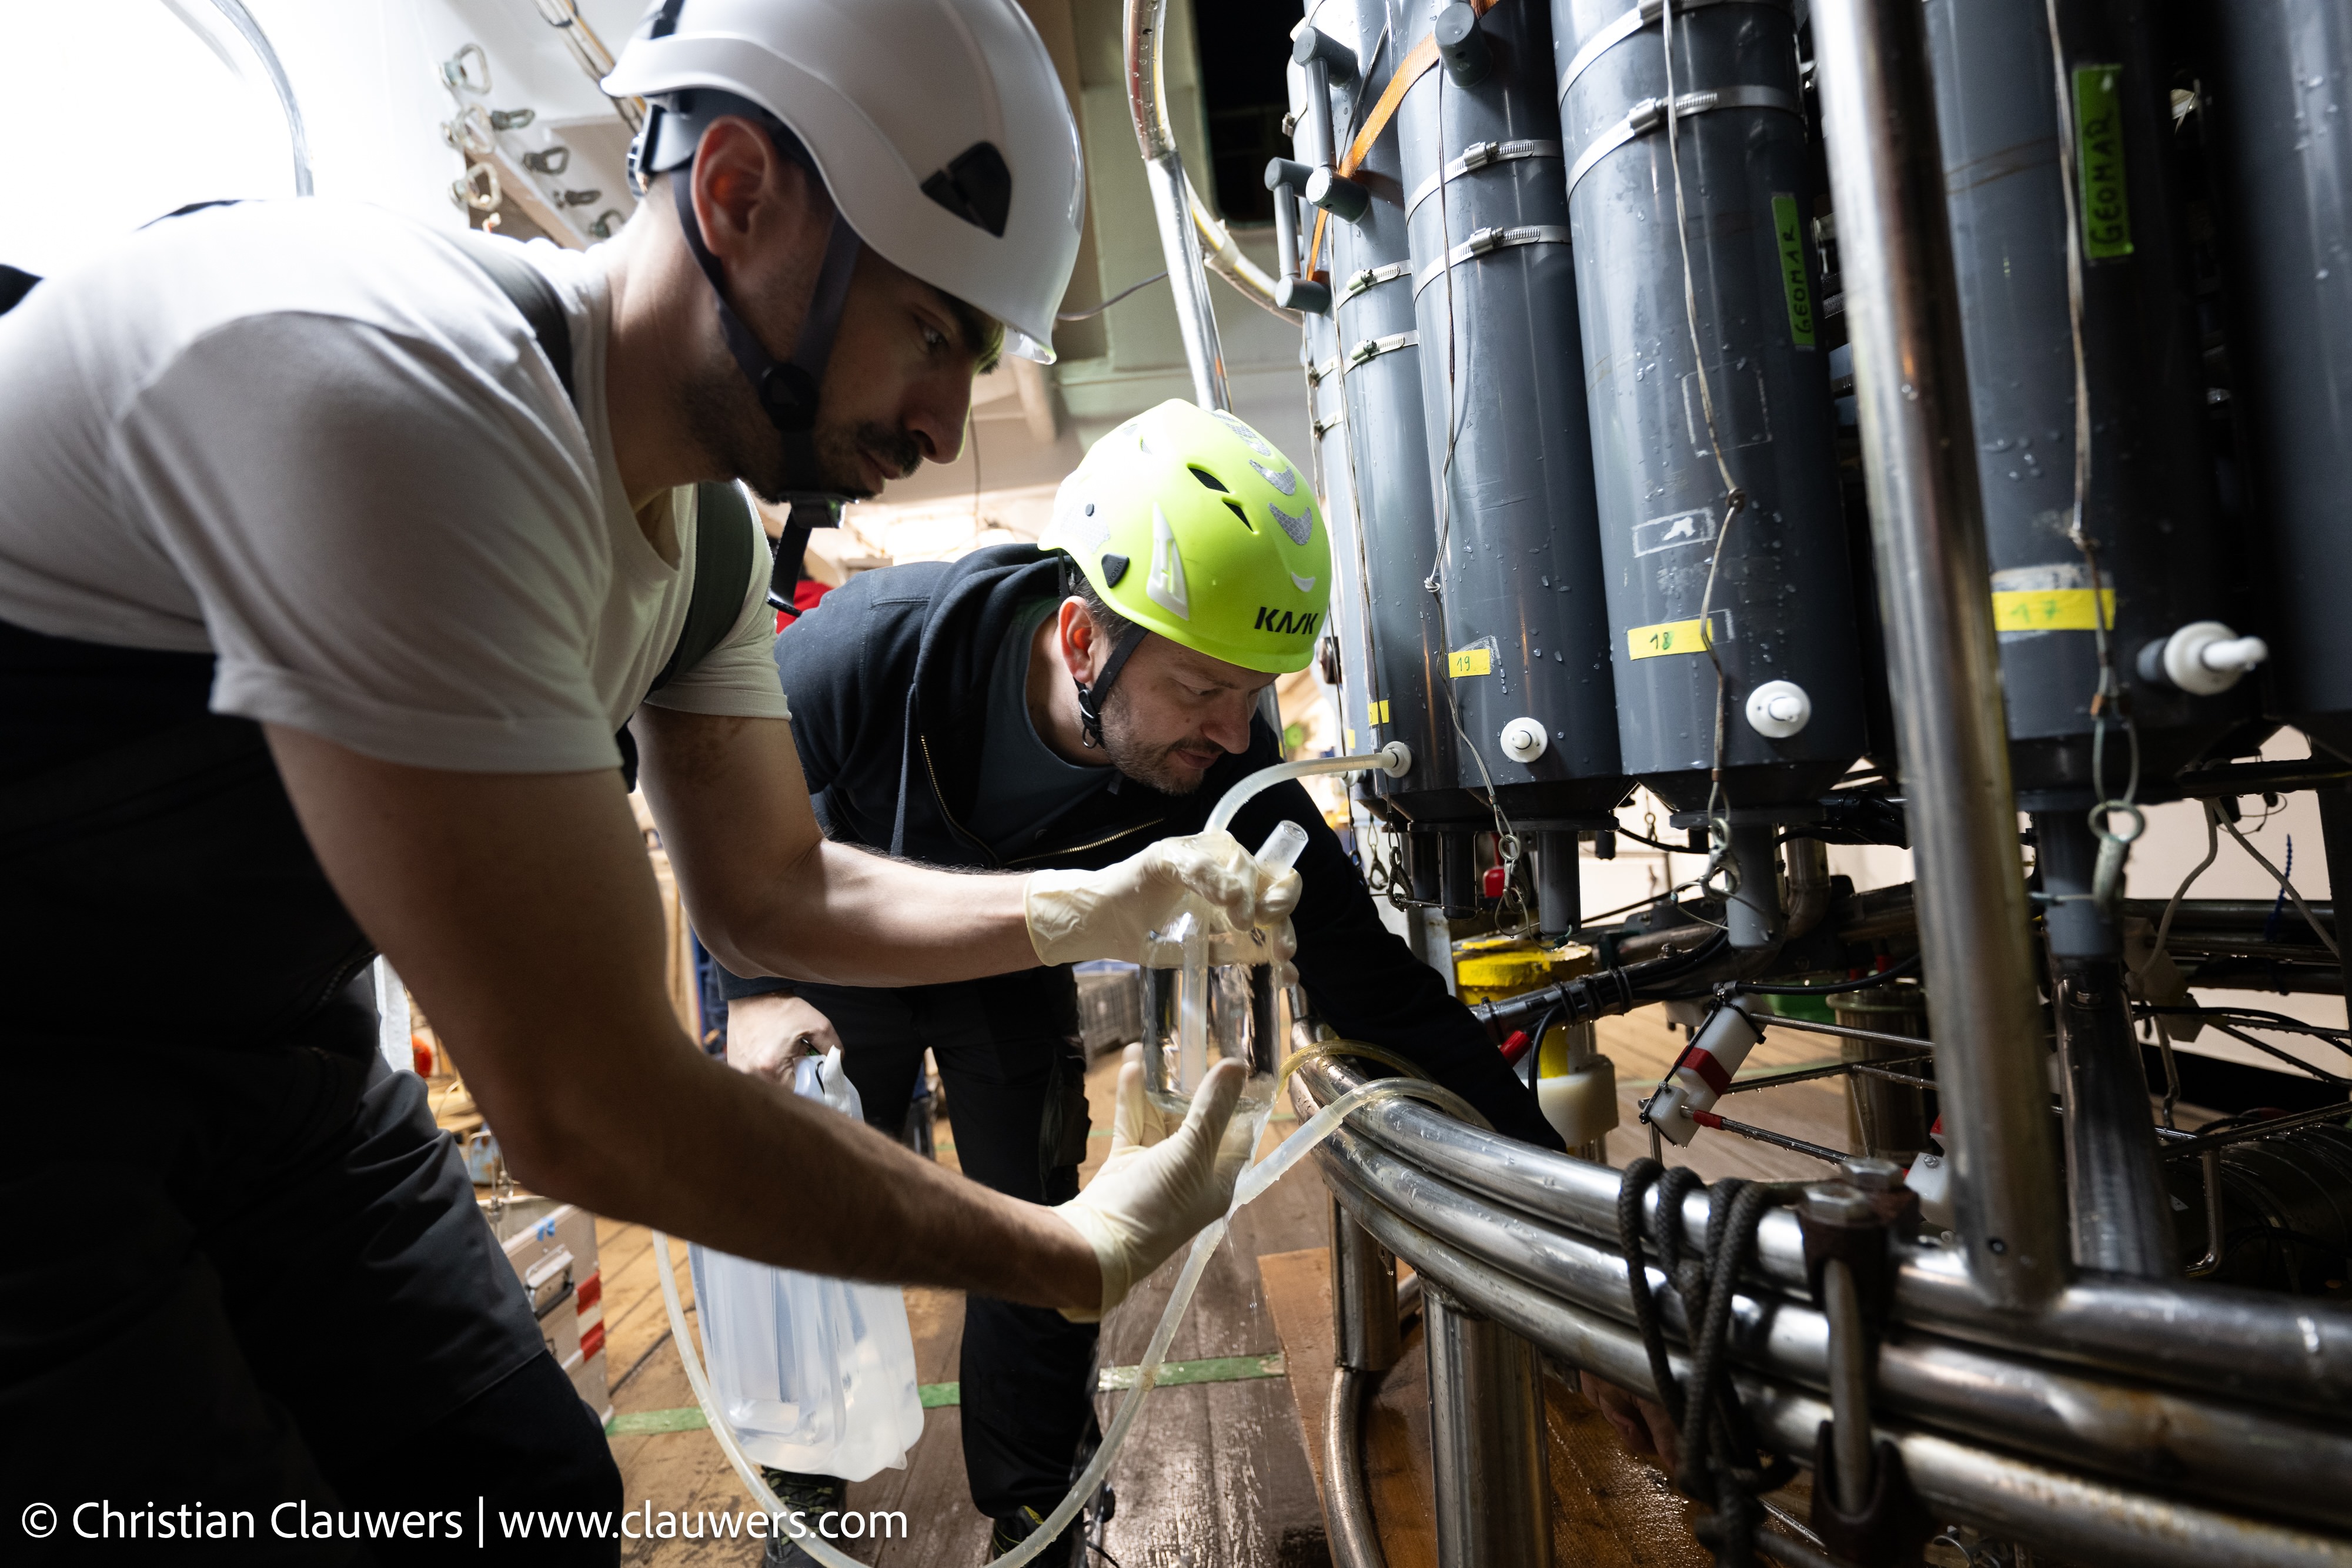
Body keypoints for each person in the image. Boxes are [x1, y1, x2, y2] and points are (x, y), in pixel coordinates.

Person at [0, 2, 1289, 1556]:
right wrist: (1057, 1251)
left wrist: (1095, 901)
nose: (947, 418)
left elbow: (774, 889)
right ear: (736, 192)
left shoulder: (710, 545)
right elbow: (585, 1104)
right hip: (25, 1087)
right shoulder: (405, 387)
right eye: (932, 330)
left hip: (280, 1055)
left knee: (523, 1492)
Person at [721, 399, 1565, 1564]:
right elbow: (719, 822)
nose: (1236, 734)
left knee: (1038, 1208)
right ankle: (803, 1494)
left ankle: (1038, 1507)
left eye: (1254, 694)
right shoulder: (870, 650)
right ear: (1082, 640)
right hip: (826, 942)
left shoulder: (1224, 770)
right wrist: (748, 991)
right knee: (803, 1201)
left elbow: (1382, 994)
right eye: (1201, 689)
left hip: (1001, 957)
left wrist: (1567, 1235)